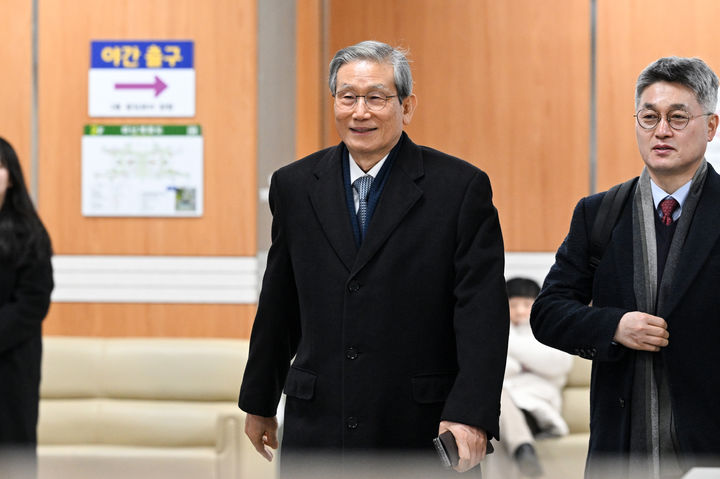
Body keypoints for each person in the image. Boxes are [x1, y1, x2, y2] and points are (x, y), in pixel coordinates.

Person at [238, 40, 509, 476]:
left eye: (376, 98)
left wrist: (471, 413)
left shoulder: (459, 188)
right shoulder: (294, 185)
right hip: (318, 421)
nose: (359, 112)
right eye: (347, 97)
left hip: (418, 422)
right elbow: (279, 303)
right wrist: (259, 401)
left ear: (407, 106)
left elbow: (481, 313)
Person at [531, 56, 720, 479]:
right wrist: (614, 326)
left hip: (708, 447)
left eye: (677, 117)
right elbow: (548, 312)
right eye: (649, 117)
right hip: (618, 450)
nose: (661, 131)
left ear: (710, 126)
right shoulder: (598, 213)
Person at [0, 137, 54, 476]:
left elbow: (34, 302)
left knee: (12, 459)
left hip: (11, 365)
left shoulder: (29, 231)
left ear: (11, 177)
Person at [500, 278, 572, 477]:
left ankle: (523, 446)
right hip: (502, 408)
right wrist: (525, 362)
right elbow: (497, 371)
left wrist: (507, 342)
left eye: (526, 304)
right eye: (513, 305)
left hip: (535, 410)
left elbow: (558, 365)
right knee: (494, 430)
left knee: (496, 423)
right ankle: (523, 448)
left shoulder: (549, 330)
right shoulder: (496, 331)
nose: (520, 311)